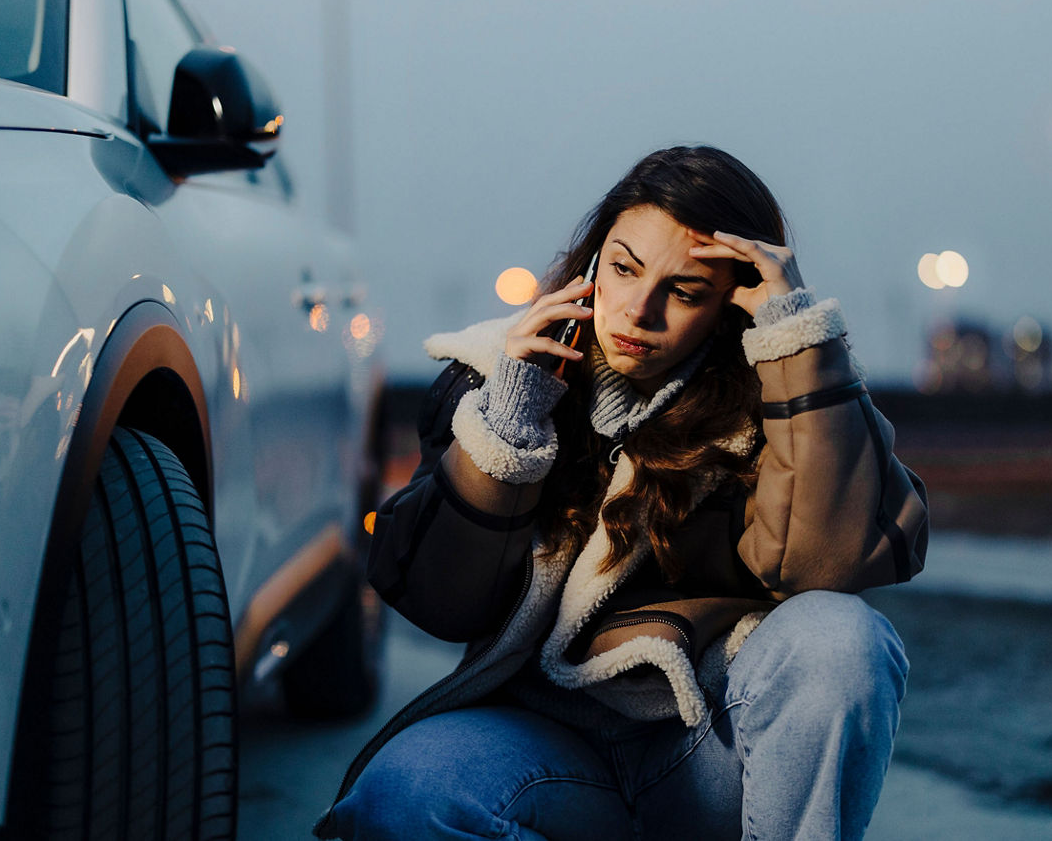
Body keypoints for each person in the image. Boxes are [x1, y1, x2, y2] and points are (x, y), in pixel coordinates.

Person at [315, 145, 928, 841]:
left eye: (686, 291)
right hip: (540, 747)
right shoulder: (497, 377)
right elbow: (439, 601)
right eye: (625, 268)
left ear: (731, 306)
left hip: (707, 754)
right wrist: (511, 420)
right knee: (403, 797)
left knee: (843, 638)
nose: (640, 310)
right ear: (592, 263)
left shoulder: (785, 395)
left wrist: (794, 340)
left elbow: (827, 566)